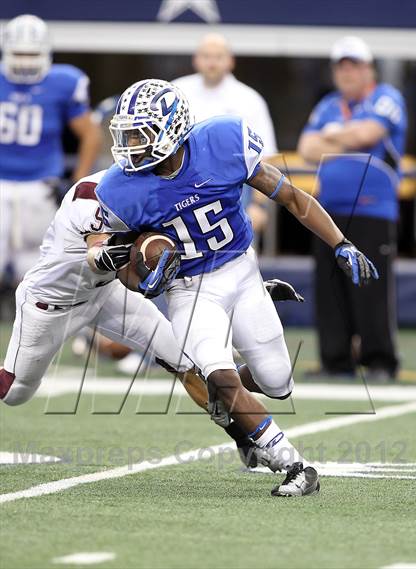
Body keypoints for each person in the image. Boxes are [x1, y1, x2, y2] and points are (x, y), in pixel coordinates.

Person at [92, 79, 378, 496]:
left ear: (172, 128)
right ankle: (293, 464)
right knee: (217, 371)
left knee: (277, 381)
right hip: (189, 289)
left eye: (141, 133)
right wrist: (145, 282)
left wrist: (341, 241)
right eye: (128, 133)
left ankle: (232, 408)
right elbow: (123, 265)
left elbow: (293, 199)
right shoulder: (120, 189)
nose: (130, 144)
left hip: (241, 271)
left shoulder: (221, 142)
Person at [0, 168, 304, 469]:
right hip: (51, 303)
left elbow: (176, 262)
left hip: (107, 293)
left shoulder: (153, 191)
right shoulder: (94, 193)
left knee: (185, 360)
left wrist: (249, 289)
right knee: (15, 392)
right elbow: (96, 255)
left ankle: (244, 438)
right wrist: (112, 254)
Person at [297, 36, 407, 381]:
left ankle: (379, 361)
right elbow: (306, 148)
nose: (347, 73)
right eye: (341, 67)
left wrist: (332, 136)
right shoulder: (329, 104)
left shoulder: (387, 97)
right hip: (328, 209)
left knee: (372, 287)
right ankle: (336, 360)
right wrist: (345, 133)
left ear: (368, 68)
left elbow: (368, 133)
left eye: (354, 65)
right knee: (331, 287)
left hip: (373, 209)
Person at [0, 14, 101, 283]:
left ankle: (28, 322)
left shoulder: (64, 81)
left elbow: (90, 134)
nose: (24, 61)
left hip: (41, 184)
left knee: (36, 266)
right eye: (19, 53)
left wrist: (77, 180)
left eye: (31, 54)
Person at [173, 33, 277, 234]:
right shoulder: (176, 91)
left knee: (236, 258)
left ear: (230, 61)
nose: (212, 62)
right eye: (206, 56)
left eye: (218, 56)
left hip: (235, 192)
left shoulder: (249, 99)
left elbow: (266, 157)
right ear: (196, 60)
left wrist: (259, 205)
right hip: (179, 191)